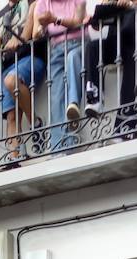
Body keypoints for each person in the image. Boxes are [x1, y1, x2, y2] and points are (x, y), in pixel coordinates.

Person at [74, 0, 137, 138]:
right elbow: (98, 25)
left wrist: (129, 3)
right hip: (119, 39)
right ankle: (94, 98)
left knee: (130, 85)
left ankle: (125, 131)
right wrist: (94, 18)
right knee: (93, 48)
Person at [0, 0, 44, 165]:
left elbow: (29, 26)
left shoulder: (31, 3)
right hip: (7, 64)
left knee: (11, 81)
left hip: (29, 57)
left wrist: (20, 39)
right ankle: (14, 158)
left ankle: (35, 123)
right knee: (11, 115)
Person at [32, 0, 87, 150]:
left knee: (72, 62)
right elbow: (35, 33)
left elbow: (78, 21)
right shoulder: (43, 3)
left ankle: (71, 141)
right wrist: (41, 29)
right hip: (56, 49)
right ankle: (59, 149)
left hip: (79, 44)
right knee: (56, 97)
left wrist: (54, 20)